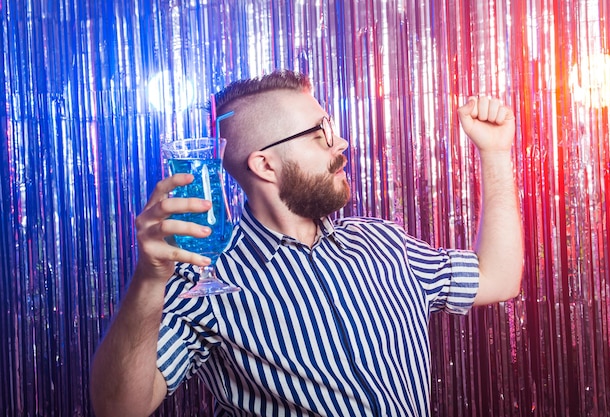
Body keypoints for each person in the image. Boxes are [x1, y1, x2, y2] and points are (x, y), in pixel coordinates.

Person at [90, 69, 523, 416]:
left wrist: (495, 153)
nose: (342, 144)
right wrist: (149, 279)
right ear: (265, 164)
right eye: (320, 134)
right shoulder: (204, 279)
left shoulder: (384, 244)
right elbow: (118, 409)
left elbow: (499, 279)